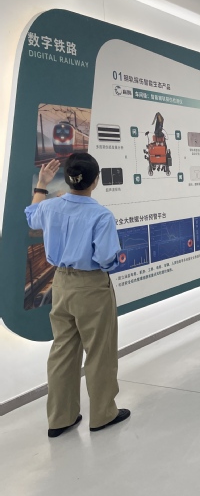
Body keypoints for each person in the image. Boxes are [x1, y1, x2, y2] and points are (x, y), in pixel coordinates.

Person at [25, 153, 131, 437]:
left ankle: (60, 418)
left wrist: (42, 183)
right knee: (99, 351)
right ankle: (103, 414)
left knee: (62, 350)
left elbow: (31, 217)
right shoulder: (101, 215)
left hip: (60, 283)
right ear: (95, 181)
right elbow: (107, 259)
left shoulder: (50, 207)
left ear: (69, 179)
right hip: (91, 287)